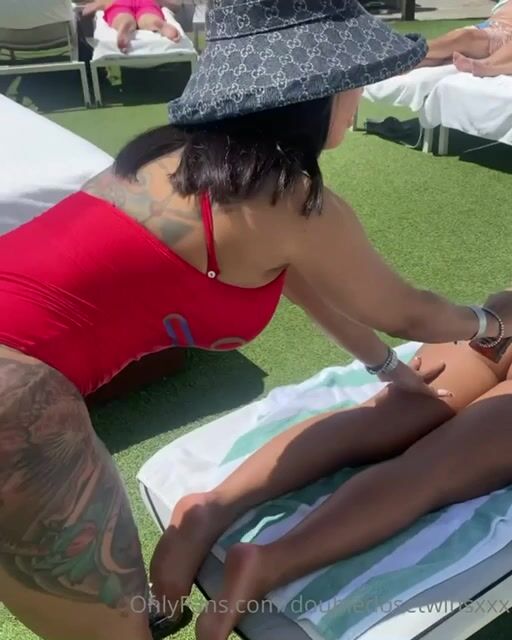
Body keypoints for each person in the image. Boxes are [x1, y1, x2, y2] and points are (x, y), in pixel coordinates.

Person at [1, 1, 512, 639]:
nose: (358, 96)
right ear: (315, 94)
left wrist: (387, 369)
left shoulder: (196, 163)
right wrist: (490, 326)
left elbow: (303, 287)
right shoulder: (288, 200)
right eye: (354, 81)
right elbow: (408, 311)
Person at [150, 338, 512, 640]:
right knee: (432, 469)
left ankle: (213, 506)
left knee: (379, 416)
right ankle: (271, 562)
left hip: (499, 321)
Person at [420, 0, 512, 70]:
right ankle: (415, 54)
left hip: (504, 32)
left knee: (463, 38)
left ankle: (415, 51)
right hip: (489, 25)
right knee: (439, 54)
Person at [82, 0, 182, 53]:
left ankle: (124, 24)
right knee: (148, 16)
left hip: (119, 2)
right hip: (147, 2)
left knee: (120, 15)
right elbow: (176, 5)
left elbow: (88, 10)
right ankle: (156, 23)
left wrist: (97, 5)